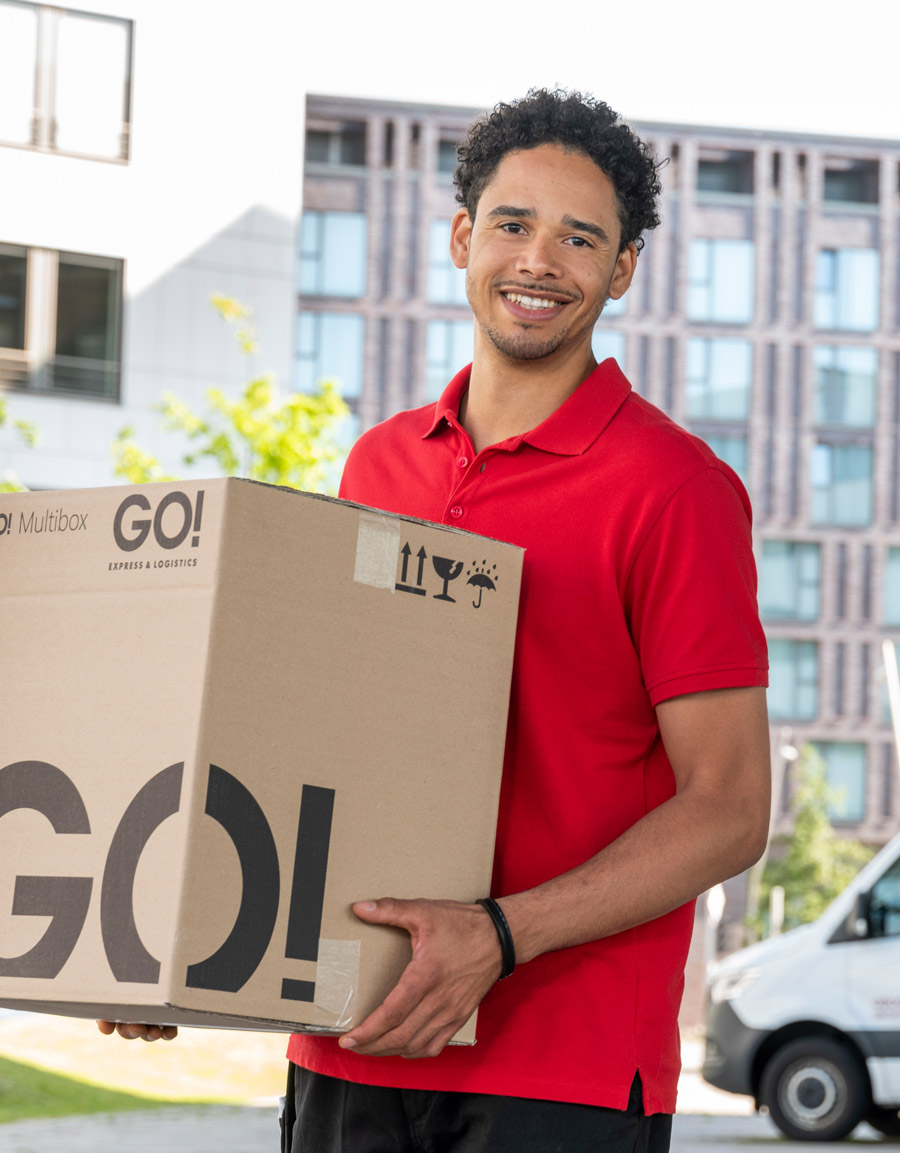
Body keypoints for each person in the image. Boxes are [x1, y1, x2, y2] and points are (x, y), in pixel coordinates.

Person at [101, 88, 771, 1153]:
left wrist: (500, 936)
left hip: (565, 1066)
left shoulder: (676, 490)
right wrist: (175, 941)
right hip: (351, 1031)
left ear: (624, 268)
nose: (538, 260)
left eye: (580, 236)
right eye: (513, 224)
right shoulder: (379, 463)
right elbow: (303, 738)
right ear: (463, 236)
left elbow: (731, 807)